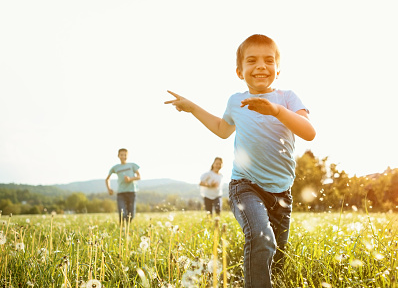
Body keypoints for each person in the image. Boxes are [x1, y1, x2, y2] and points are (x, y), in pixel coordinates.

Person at [164, 34, 315, 287]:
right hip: (245, 186)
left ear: (278, 69)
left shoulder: (287, 98)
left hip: (281, 193)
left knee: (277, 257)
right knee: (261, 238)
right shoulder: (236, 101)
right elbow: (223, 129)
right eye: (252, 61)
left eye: (269, 60)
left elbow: (309, 132)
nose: (260, 66)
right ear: (239, 71)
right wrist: (193, 108)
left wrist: (276, 110)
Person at [105, 148, 141, 224]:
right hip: (121, 193)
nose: (123, 156)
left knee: (131, 214)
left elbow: (139, 176)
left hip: (131, 192)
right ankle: (121, 228)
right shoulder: (115, 167)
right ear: (118, 156)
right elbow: (107, 179)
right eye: (121, 155)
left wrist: (130, 179)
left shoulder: (132, 165)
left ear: (127, 156)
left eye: (125, 155)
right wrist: (109, 189)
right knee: (122, 212)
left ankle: (127, 228)